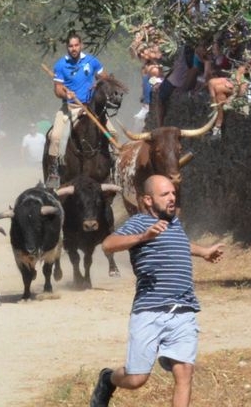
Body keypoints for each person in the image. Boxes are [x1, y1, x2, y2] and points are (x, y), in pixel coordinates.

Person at [91, 174, 225, 407]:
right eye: (165, 194)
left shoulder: (174, 223)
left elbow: (179, 243)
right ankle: (108, 379)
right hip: (150, 310)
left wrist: (203, 251)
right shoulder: (139, 223)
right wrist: (144, 236)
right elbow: (108, 245)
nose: (172, 198)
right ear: (148, 200)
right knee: (136, 379)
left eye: (173, 193)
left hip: (184, 309)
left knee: (184, 372)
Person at [46, 33, 108, 189]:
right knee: (55, 136)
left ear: (81, 45)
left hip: (91, 108)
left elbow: (104, 77)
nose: (73, 49)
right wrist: (66, 93)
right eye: (70, 46)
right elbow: (57, 90)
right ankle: (54, 171)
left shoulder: (91, 61)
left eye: (76, 45)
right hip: (70, 108)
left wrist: (98, 83)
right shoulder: (61, 65)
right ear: (67, 47)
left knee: (112, 133)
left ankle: (111, 166)